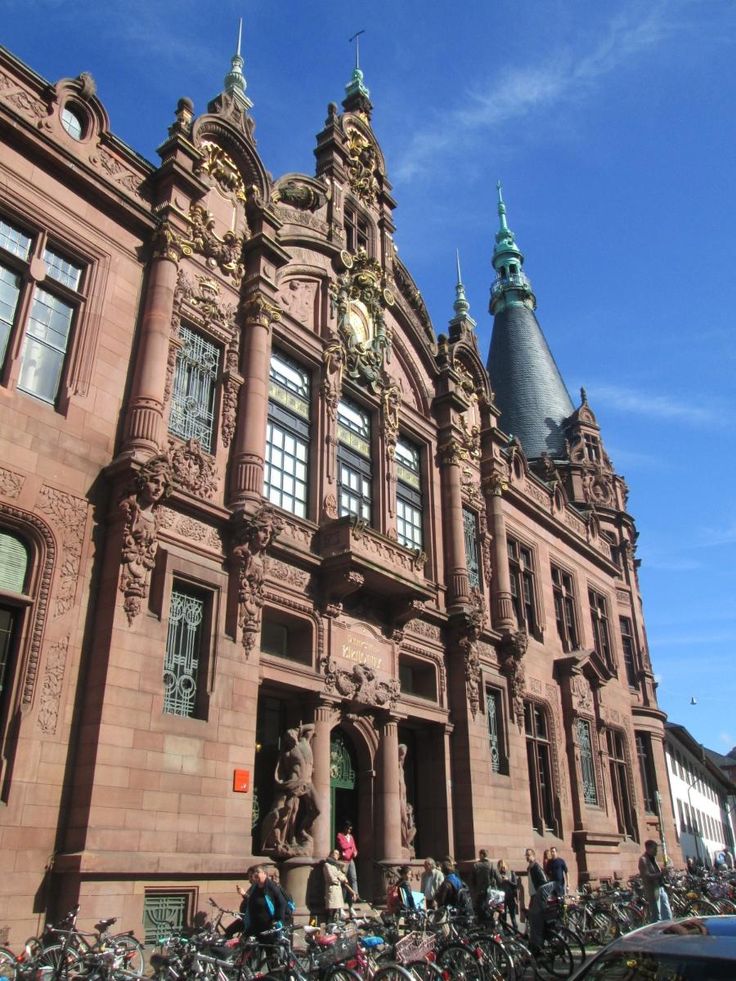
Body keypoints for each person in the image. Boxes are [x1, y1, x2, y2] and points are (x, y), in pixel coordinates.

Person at [237, 865, 288, 940]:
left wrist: (276, 919)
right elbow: (251, 903)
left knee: (269, 949)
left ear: (265, 874)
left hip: (269, 927)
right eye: (255, 872)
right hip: (256, 925)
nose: (256, 874)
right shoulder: (255, 888)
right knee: (245, 944)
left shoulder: (272, 887)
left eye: (258, 872)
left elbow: (282, 903)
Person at [524, 848, 554, 951]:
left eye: (529, 855)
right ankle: (535, 943)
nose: (528, 857)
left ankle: (537, 945)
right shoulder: (530, 868)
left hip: (537, 896)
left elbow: (544, 881)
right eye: (526, 855)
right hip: (533, 896)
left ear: (534, 855)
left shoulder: (536, 867)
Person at [638, 839, 672, 923]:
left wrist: (663, 872)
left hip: (660, 888)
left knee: (667, 912)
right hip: (653, 890)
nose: (656, 851)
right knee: (657, 914)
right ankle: (657, 933)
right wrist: (660, 874)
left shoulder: (653, 858)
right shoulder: (643, 860)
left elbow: (656, 872)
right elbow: (646, 876)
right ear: (649, 848)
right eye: (655, 849)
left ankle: (669, 928)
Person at [324, 849, 356, 921]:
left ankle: (335, 924)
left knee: (337, 910)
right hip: (332, 889)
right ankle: (329, 925)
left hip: (338, 891)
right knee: (331, 910)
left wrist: (341, 878)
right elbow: (331, 878)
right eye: (335, 853)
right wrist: (340, 879)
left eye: (338, 854)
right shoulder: (327, 865)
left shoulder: (337, 866)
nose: (337, 855)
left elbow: (343, 876)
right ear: (331, 854)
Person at [336, 820, 359, 903]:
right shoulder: (340, 835)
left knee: (353, 878)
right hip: (343, 861)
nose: (349, 831)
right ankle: (342, 898)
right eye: (348, 829)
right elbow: (343, 845)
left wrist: (355, 852)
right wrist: (350, 846)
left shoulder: (351, 837)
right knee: (344, 880)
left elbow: (354, 847)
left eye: (350, 829)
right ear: (345, 828)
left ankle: (355, 896)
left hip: (351, 860)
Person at [472, 849, 499, 916]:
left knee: (480, 907)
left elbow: (473, 879)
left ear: (482, 855)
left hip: (480, 890)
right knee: (491, 907)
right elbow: (497, 878)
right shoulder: (492, 865)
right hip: (490, 890)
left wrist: (475, 888)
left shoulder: (476, 865)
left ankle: (483, 922)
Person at [497, 860, 519, 931]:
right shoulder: (498, 874)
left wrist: (507, 880)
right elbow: (497, 886)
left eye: (503, 866)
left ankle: (516, 931)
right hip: (502, 898)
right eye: (500, 867)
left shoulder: (511, 873)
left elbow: (515, 885)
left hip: (511, 897)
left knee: (513, 916)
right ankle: (506, 931)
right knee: (503, 916)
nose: (502, 868)